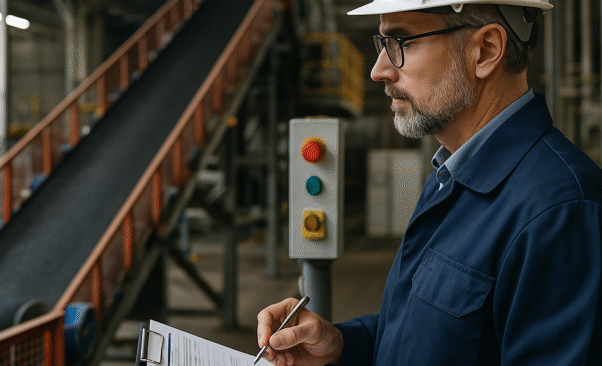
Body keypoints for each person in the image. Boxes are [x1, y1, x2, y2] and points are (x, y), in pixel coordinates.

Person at [257, 0, 602, 365]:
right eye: (383, 45)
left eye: (401, 43)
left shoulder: (561, 214)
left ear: (485, 50)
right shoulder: (450, 176)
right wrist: (343, 344)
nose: (379, 70)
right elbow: (425, 336)